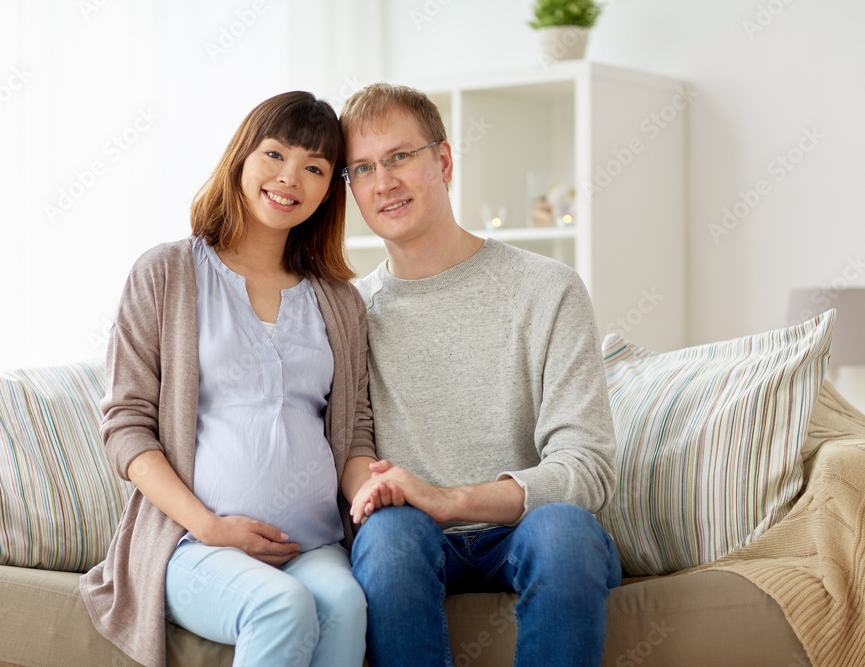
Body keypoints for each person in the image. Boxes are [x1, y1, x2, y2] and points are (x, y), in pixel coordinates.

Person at [80, 91, 377, 667]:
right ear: (242, 156)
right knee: (280, 606)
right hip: (192, 543)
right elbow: (126, 426)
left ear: (329, 189)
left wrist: (377, 495)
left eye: (314, 168)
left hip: (312, 542)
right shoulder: (166, 273)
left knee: (346, 603)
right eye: (275, 154)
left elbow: (355, 430)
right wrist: (211, 527)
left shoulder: (340, 301)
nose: (290, 178)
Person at [339, 82, 622, 667]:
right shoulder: (349, 313)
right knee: (388, 540)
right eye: (363, 168)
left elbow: (587, 469)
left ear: (443, 161)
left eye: (399, 156)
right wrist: (392, 495)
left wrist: (450, 499)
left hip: (525, 530)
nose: (384, 181)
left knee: (566, 533)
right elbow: (348, 449)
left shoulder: (548, 289)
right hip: (410, 538)